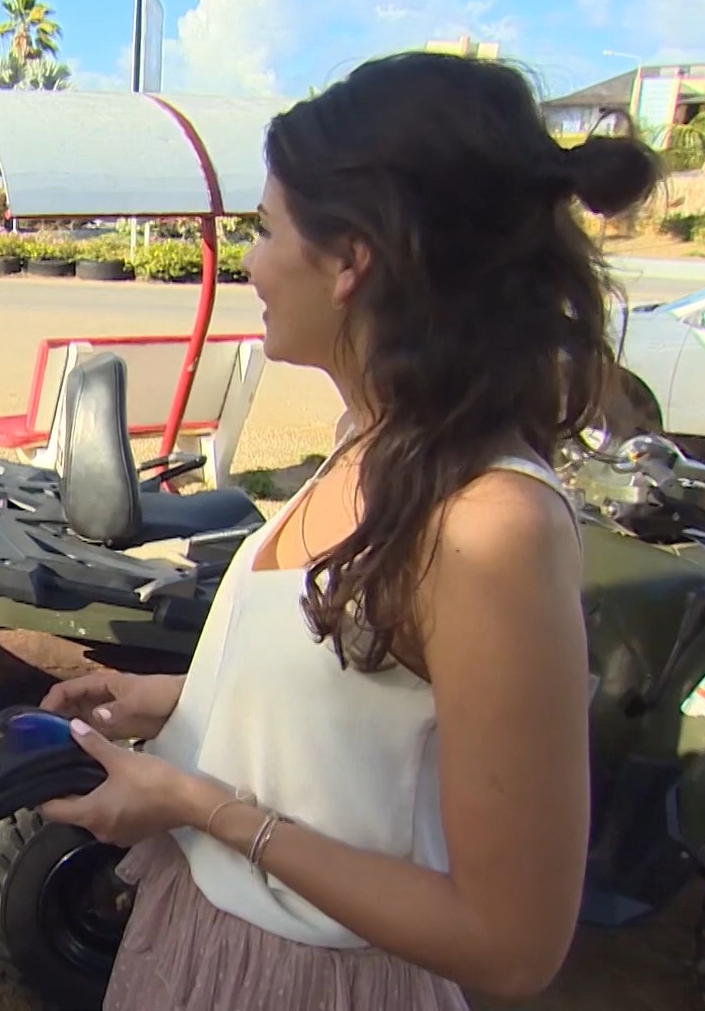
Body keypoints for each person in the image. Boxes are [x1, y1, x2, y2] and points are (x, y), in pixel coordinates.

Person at [37, 50, 663, 1009]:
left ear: (350, 261)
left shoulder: (493, 526)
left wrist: (202, 804)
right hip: (201, 946)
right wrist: (178, 702)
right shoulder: (370, 441)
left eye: (265, 228)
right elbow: (366, 716)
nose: (251, 261)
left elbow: (510, 944)